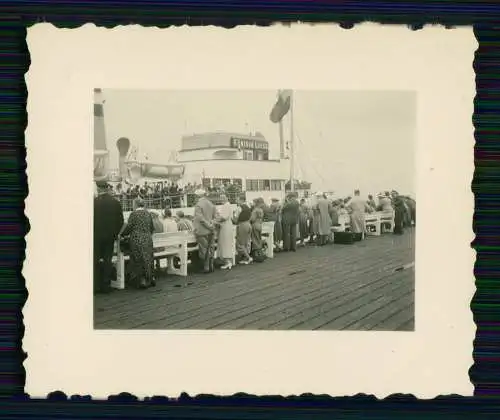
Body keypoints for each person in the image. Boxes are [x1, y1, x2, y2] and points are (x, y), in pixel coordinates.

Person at [93, 181, 124, 294]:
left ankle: (95, 286)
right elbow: (121, 221)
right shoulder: (115, 203)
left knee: (95, 260)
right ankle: (106, 285)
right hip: (110, 237)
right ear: (107, 188)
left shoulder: (93, 202)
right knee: (107, 260)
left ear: (99, 189)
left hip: (96, 236)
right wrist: (115, 234)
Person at [120, 197, 155, 289]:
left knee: (138, 260)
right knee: (148, 258)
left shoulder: (133, 214)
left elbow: (129, 227)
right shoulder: (148, 213)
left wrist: (122, 234)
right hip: (147, 239)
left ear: (135, 204)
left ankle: (141, 280)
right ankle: (150, 278)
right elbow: (152, 228)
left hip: (136, 239)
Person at [193, 190, 217, 273]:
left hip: (202, 231)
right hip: (211, 230)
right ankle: (211, 265)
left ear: (198, 196)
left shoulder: (198, 205)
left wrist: (208, 225)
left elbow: (200, 219)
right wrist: (211, 225)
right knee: (211, 248)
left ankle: (206, 267)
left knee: (204, 249)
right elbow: (216, 217)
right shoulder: (211, 203)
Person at [216, 194, 234, 270]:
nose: (221, 200)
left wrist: (216, 220)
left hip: (225, 226)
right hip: (227, 225)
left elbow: (224, 217)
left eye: (223, 198)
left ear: (226, 198)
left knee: (225, 243)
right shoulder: (228, 205)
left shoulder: (226, 206)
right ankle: (228, 261)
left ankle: (227, 262)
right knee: (227, 243)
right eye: (220, 198)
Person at [234, 197, 253, 264]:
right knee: (247, 242)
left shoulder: (239, 208)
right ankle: (245, 258)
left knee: (240, 243)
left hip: (242, 225)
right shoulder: (248, 207)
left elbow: (235, 219)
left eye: (237, 200)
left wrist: (231, 219)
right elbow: (251, 217)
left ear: (241, 200)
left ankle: (248, 258)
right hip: (248, 224)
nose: (236, 201)